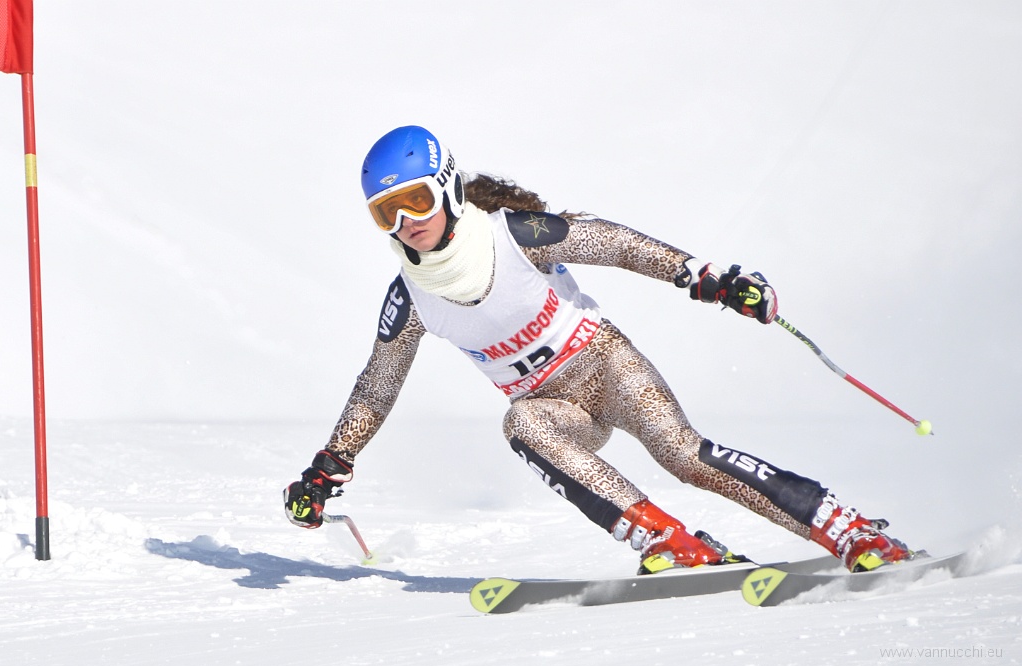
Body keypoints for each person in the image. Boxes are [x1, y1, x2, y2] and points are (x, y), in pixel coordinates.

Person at [285, 124, 917, 574]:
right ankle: (667, 540)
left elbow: (612, 243)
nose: (407, 224)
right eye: (386, 213)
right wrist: (327, 468)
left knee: (683, 455)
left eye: (416, 201)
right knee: (522, 423)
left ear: (447, 189)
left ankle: (848, 529)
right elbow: (376, 388)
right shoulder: (411, 296)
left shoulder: (514, 235)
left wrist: (703, 276)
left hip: (604, 364)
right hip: (555, 406)